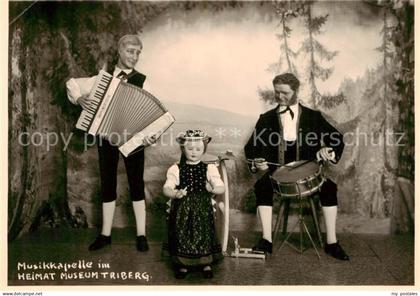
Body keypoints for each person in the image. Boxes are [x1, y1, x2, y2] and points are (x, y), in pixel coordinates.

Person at [244, 73, 349, 260]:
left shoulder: (313, 117)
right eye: (276, 92)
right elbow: (251, 147)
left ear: (295, 91)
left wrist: (327, 150)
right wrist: (256, 162)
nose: (279, 97)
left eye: (284, 92)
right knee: (262, 186)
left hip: (309, 173)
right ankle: (266, 240)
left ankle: (332, 242)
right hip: (277, 174)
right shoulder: (266, 118)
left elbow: (336, 138)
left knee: (329, 188)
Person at [66, 34, 155, 252]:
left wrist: (151, 133)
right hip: (106, 136)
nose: (134, 56)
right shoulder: (102, 79)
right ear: (119, 50)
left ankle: (141, 235)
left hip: (133, 138)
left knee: (136, 183)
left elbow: (152, 112)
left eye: (137, 53)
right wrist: (79, 99)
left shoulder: (143, 80)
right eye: (130, 51)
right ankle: (105, 235)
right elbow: (71, 83)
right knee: (107, 183)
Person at [163, 129, 225, 279]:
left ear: (203, 149)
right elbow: (166, 188)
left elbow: (221, 187)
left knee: (203, 233)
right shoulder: (176, 169)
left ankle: (206, 263)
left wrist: (212, 188)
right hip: (182, 209)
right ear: (183, 149)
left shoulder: (208, 168)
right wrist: (175, 193)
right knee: (183, 234)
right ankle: (183, 264)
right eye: (190, 149)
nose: (194, 152)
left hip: (203, 208)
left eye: (198, 149)